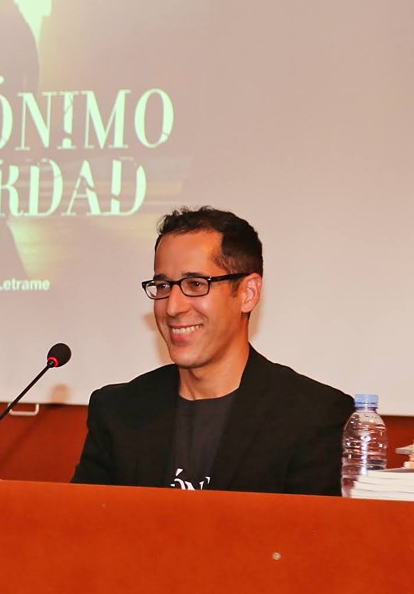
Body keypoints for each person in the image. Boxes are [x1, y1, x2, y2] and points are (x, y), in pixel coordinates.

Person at [72, 206, 354, 495]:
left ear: (248, 293)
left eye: (196, 284)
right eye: (163, 285)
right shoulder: (118, 411)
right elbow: (82, 519)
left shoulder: (313, 417)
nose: (172, 307)